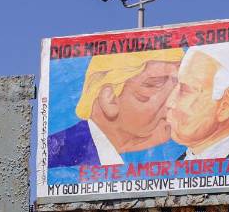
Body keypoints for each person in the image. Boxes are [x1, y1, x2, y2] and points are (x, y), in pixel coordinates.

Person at [48, 49, 185, 168]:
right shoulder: (55, 157)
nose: (173, 101)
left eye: (180, 87)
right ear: (110, 98)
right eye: (154, 84)